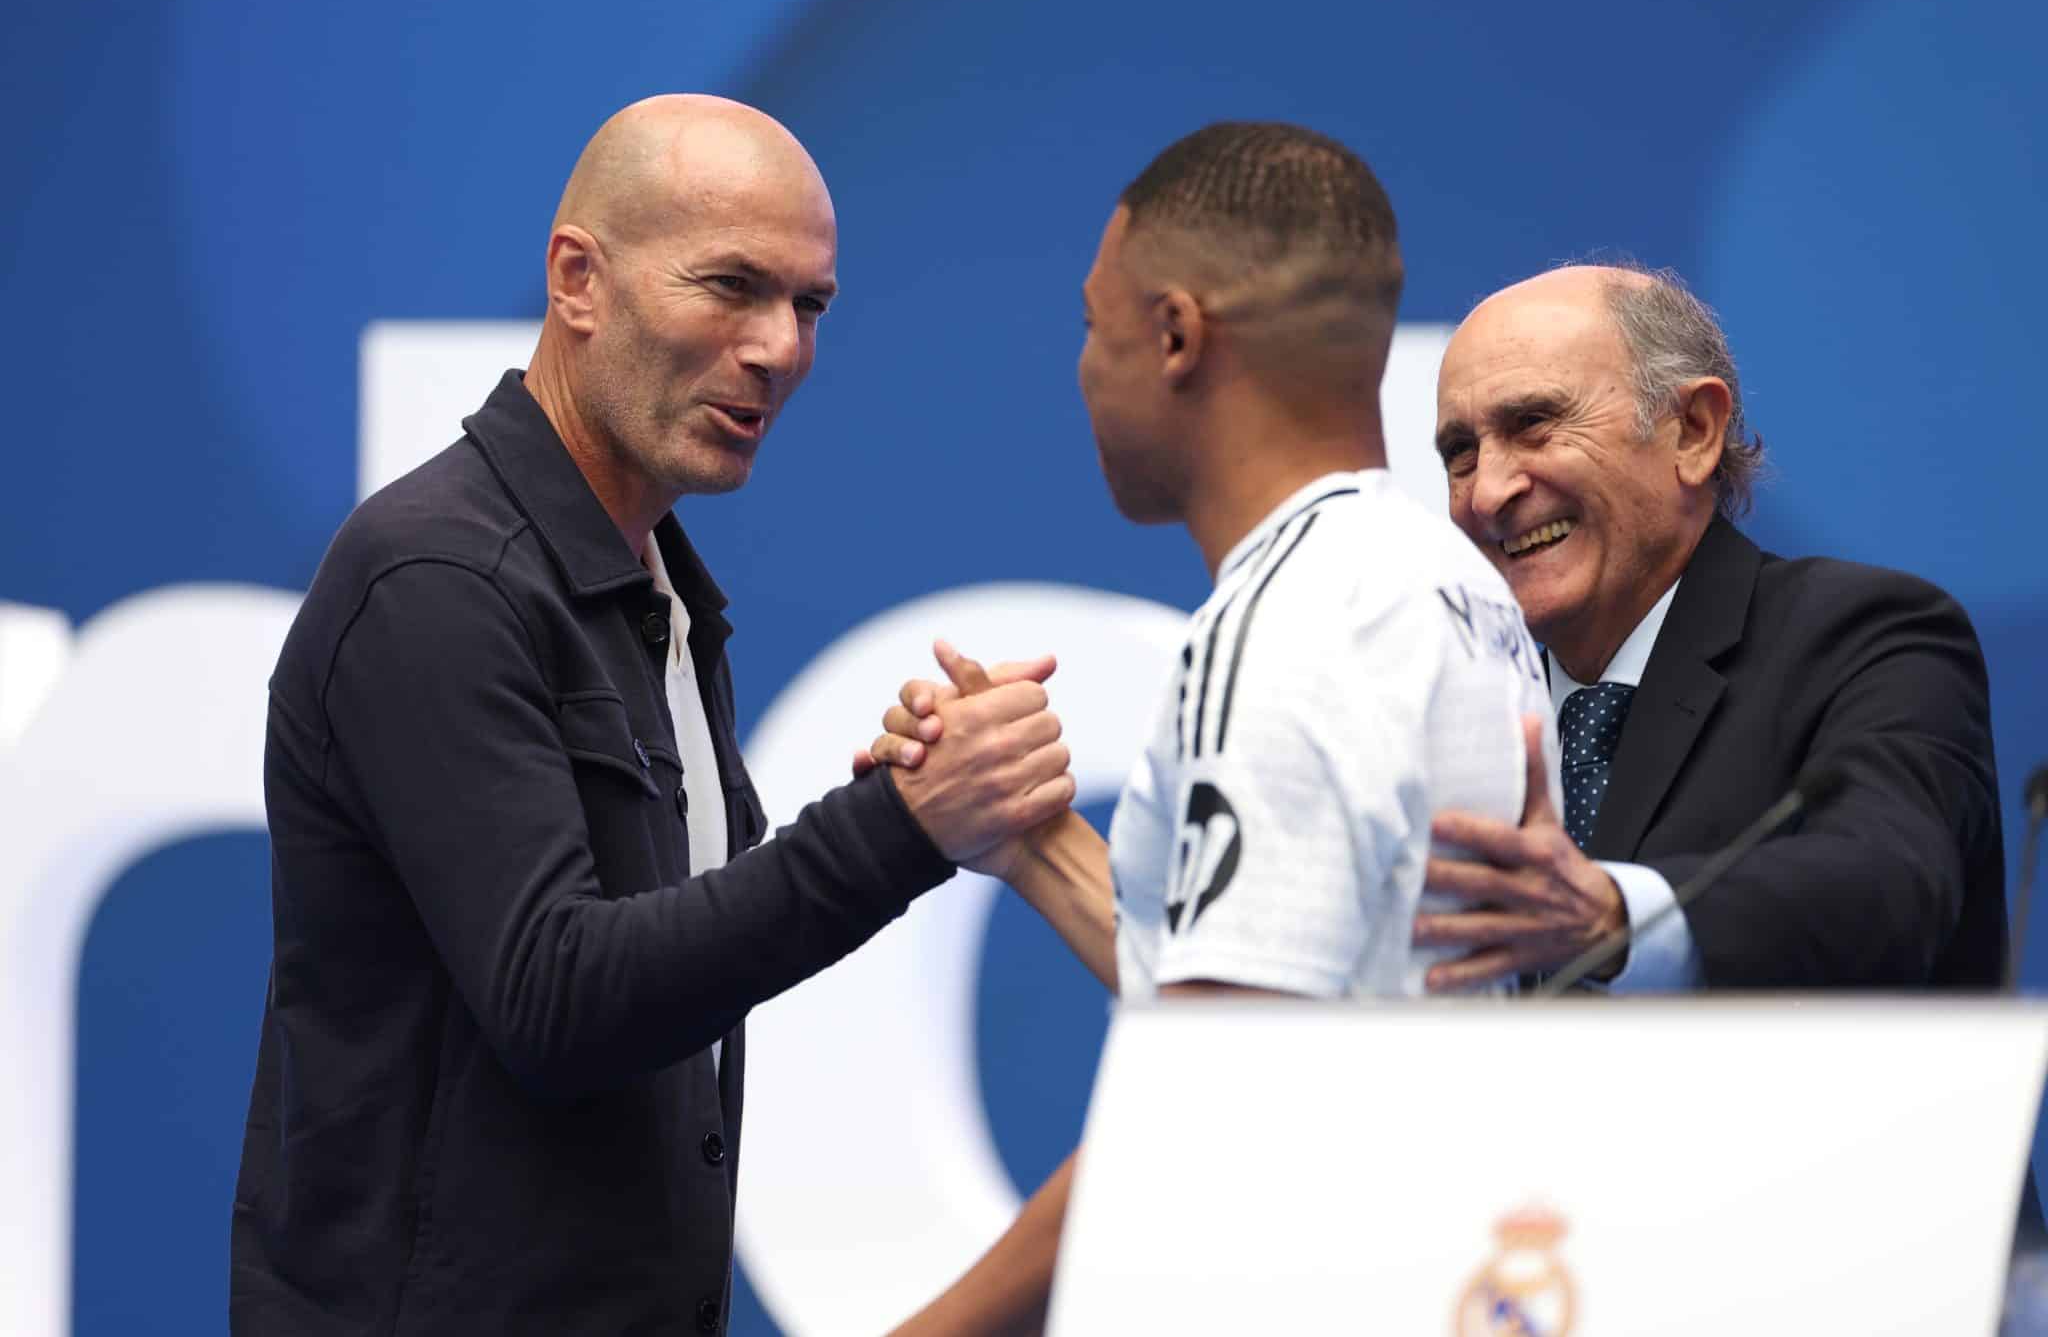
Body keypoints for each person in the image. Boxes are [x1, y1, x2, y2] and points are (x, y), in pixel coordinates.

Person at [229, 95, 1075, 1336]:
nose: (778, 347)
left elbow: (655, 970)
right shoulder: (436, 578)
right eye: (730, 286)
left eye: (809, 306)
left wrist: (905, 800)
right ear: (578, 280)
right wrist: (897, 825)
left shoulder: (657, 590)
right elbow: (558, 998)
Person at [858, 120, 1560, 1336]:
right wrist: (1029, 837)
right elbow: (1305, 993)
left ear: (1176, 335)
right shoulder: (1441, 585)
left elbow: (1213, 1096)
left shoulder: (1282, 624)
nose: (1081, 366)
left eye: (1093, 326)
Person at [1413, 263, 2006, 991]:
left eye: (1533, 424)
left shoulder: (1867, 638)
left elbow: (1889, 885)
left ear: (1693, 431)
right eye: (1460, 454)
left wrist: (1617, 917)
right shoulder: (1465, 710)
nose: (1488, 493)